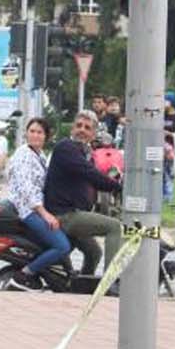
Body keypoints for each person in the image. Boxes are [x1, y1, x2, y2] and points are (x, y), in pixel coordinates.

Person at [44, 110, 124, 275]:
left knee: (94, 252)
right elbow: (89, 173)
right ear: (72, 128)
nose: (82, 130)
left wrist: (114, 183)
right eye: (79, 125)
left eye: (87, 128)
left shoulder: (85, 153)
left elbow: (94, 178)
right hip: (65, 215)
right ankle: (112, 280)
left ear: (93, 134)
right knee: (115, 227)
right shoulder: (66, 147)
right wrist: (118, 187)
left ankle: (81, 286)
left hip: (74, 213)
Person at [2, 117, 71, 290]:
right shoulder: (24, 154)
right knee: (62, 246)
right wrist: (45, 214)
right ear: (26, 133)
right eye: (32, 131)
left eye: (39, 132)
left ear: (46, 136)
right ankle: (24, 274)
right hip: (28, 211)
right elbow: (27, 189)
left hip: (37, 208)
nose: (35, 135)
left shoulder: (39, 155)